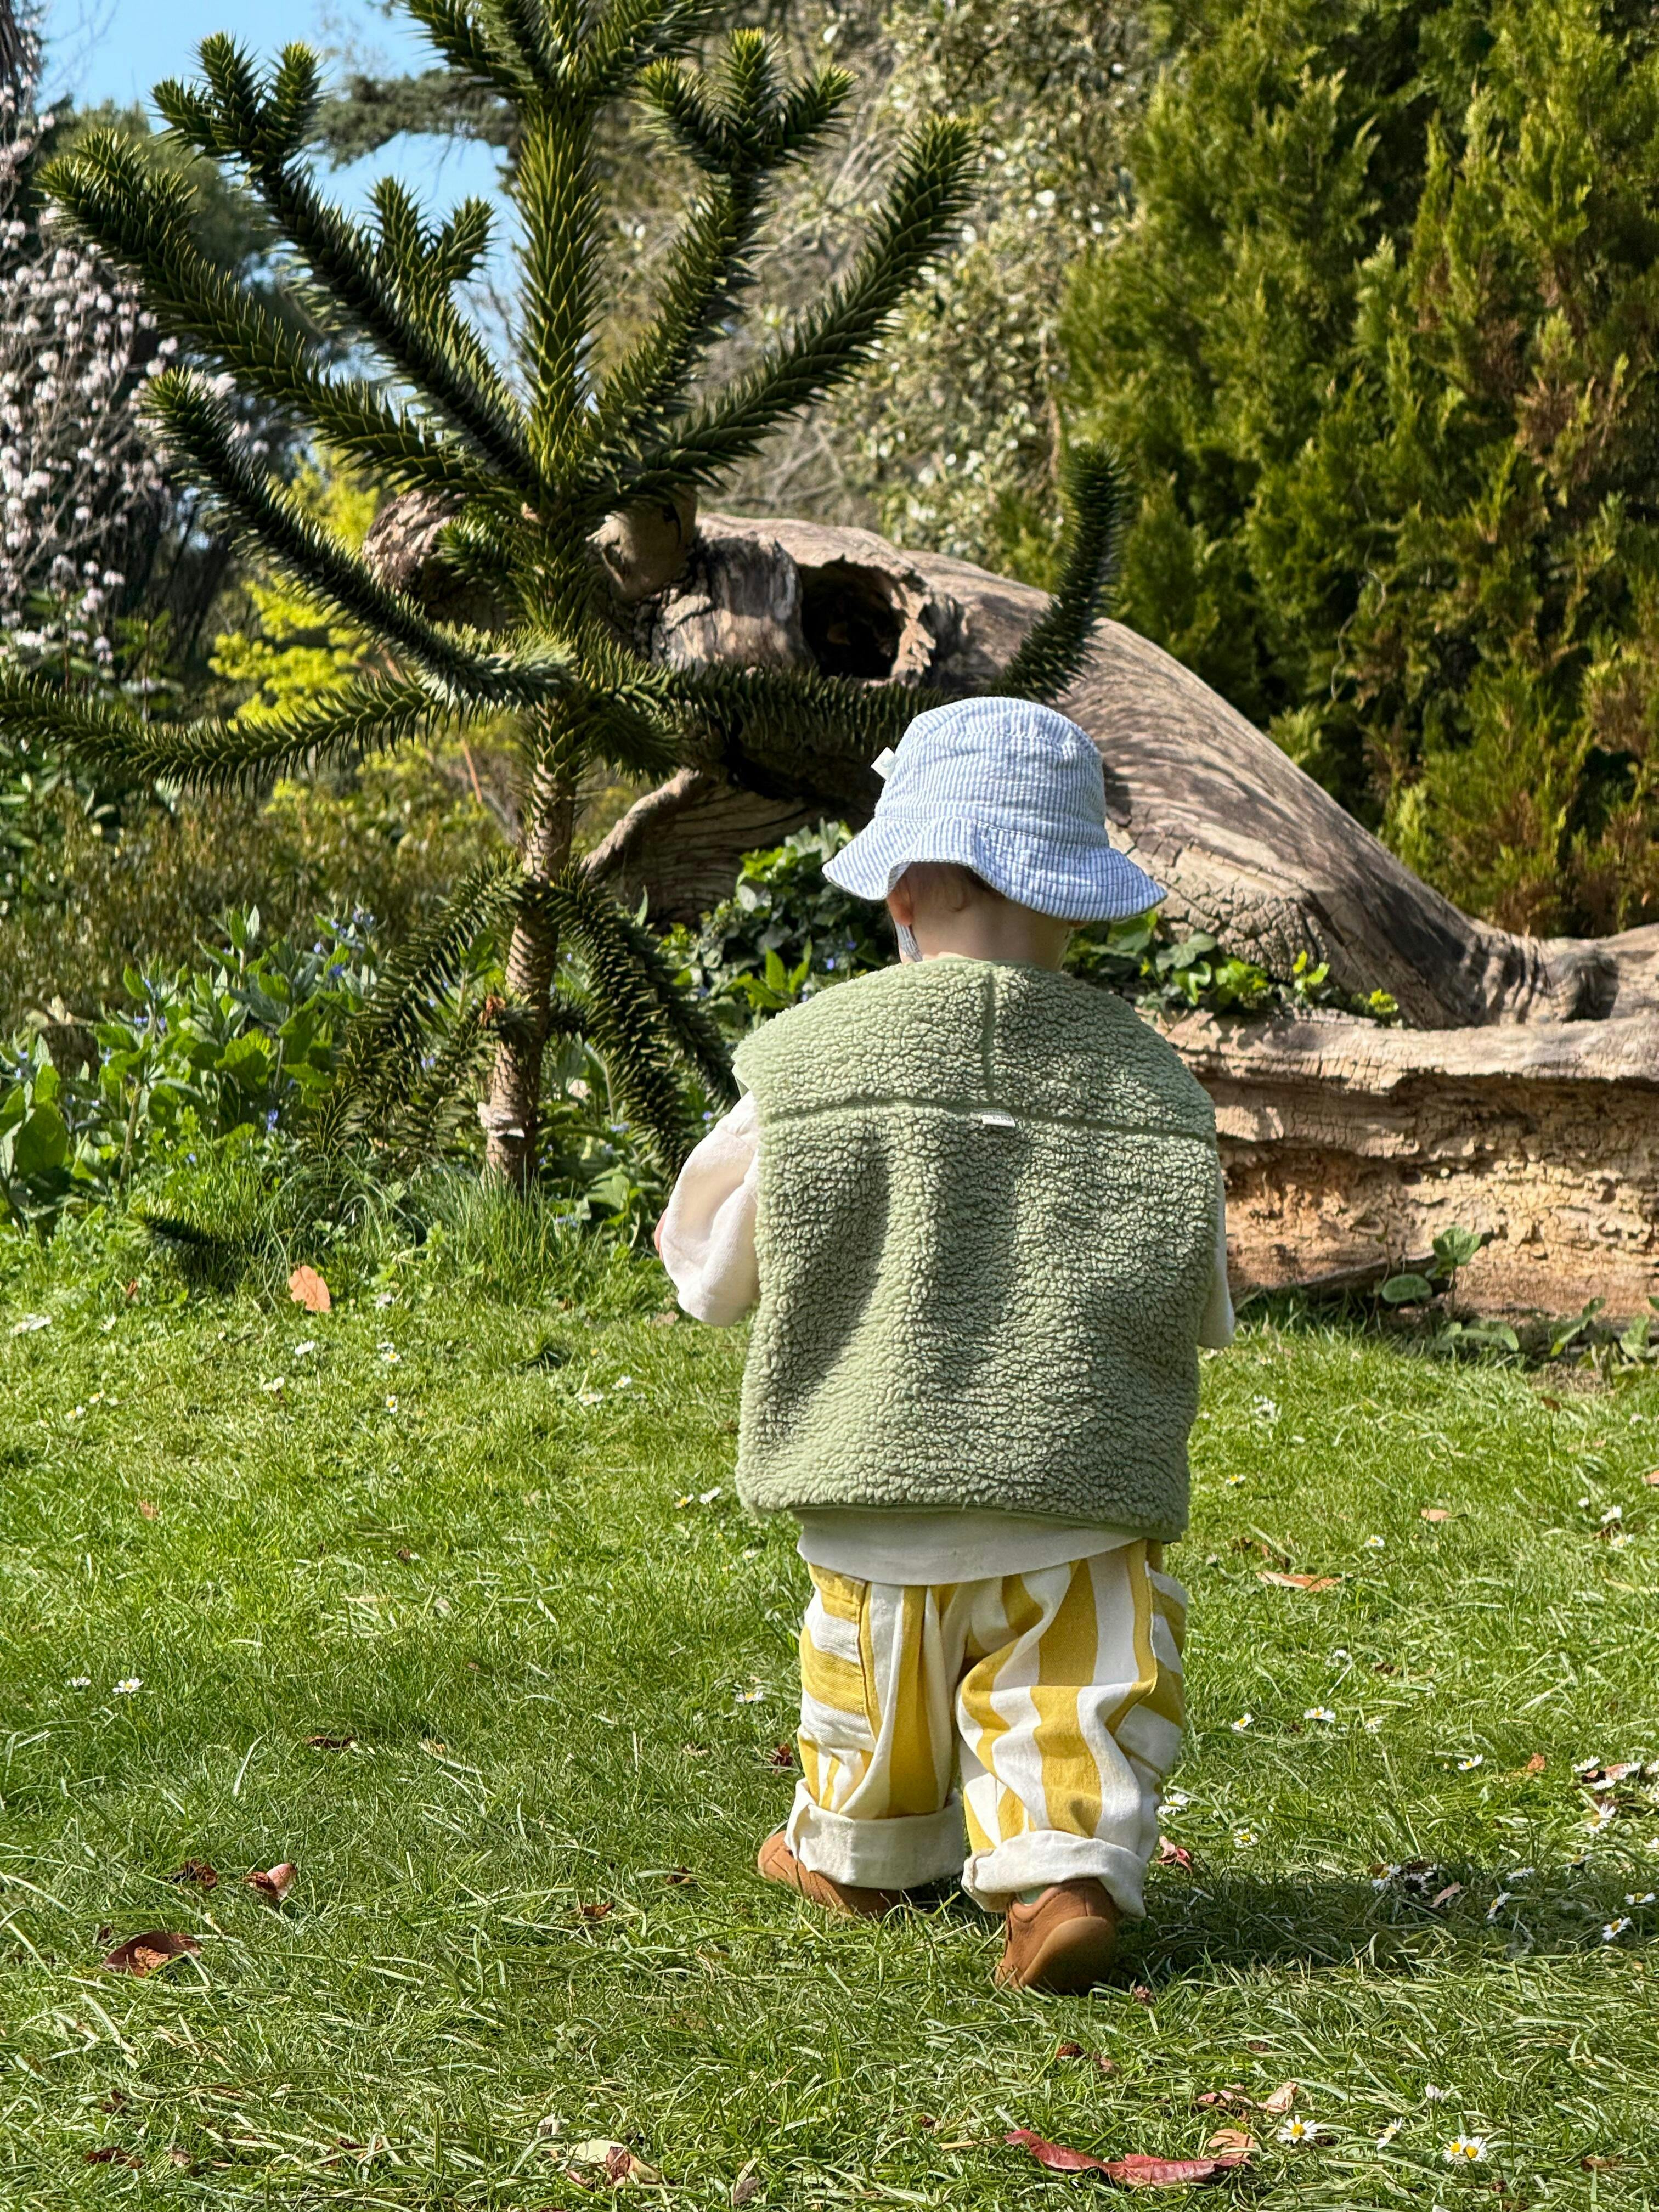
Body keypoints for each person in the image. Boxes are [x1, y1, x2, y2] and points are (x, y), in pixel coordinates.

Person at [655, 695, 1234, 1993]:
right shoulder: (1150, 1082)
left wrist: (717, 1263)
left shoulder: (814, 1063)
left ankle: (855, 1856)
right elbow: (1192, 1286)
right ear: (1076, 900)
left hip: (875, 1492)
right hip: (1076, 1499)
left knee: (869, 1709)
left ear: (904, 888)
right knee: (1068, 1709)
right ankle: (1063, 1877)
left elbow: (712, 1257)